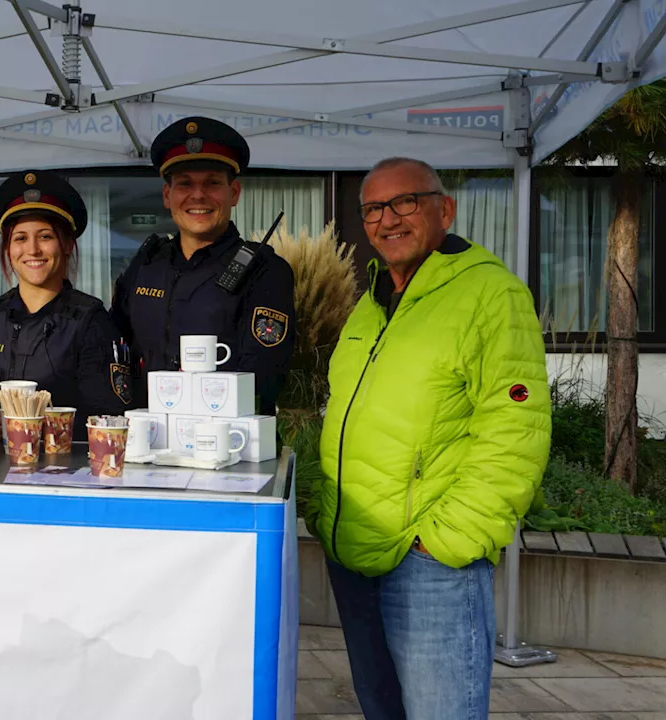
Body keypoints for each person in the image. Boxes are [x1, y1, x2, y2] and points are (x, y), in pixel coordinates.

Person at [306, 157, 551, 720]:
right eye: (373, 208)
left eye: (405, 202)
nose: (388, 219)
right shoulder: (371, 303)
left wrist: (447, 541)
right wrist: (326, 508)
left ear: (446, 209)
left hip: (428, 565)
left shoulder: (491, 294)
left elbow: (515, 432)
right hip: (355, 553)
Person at [111, 116, 295, 415]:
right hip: (148, 440)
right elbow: (115, 347)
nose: (198, 195)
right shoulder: (146, 264)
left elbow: (263, 377)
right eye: (185, 184)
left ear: (233, 193)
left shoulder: (265, 272)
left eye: (212, 183)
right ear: (167, 196)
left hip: (227, 445)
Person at [0, 170, 130, 437]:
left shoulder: (90, 322)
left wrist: (32, 428)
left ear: (68, 244)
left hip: (62, 470)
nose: (33, 250)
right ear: (7, 250)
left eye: (45, 236)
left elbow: (105, 420)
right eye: (20, 238)